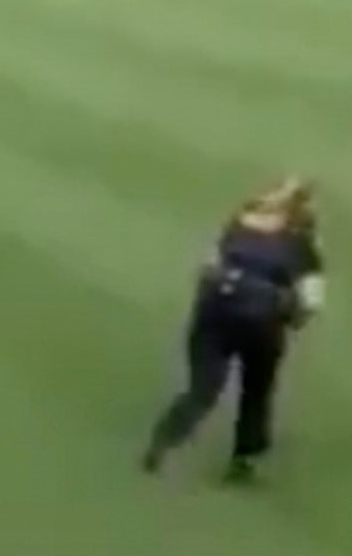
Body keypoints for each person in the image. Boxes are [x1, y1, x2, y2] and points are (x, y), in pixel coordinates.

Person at [140, 179, 326, 485]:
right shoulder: (301, 245)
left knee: (203, 388)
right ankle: (244, 459)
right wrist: (292, 321)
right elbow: (311, 300)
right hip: (262, 325)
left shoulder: (237, 226)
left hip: (213, 317)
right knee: (256, 392)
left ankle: (163, 441)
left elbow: (208, 269)